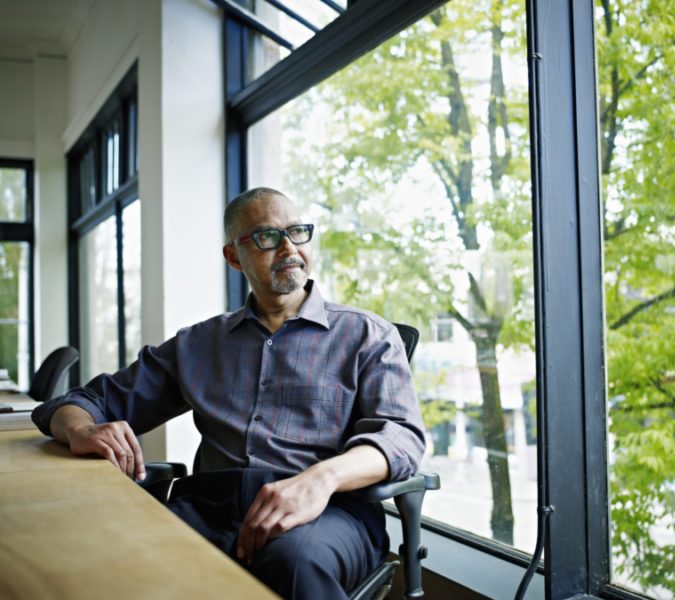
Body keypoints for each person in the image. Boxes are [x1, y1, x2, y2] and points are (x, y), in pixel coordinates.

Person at [32, 187, 426, 599]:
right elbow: (80, 403)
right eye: (268, 237)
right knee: (114, 560)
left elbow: (400, 437)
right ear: (234, 257)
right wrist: (80, 430)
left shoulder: (367, 336)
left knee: (292, 566)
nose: (289, 247)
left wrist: (319, 480)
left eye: (297, 232)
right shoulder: (197, 345)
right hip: (209, 508)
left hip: (326, 512)